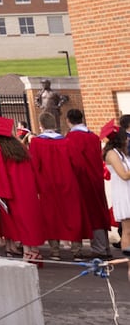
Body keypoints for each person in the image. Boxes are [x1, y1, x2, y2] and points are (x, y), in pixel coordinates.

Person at [0, 116, 45, 263]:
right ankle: (35, 252)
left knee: (21, 221)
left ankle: (28, 253)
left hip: (13, 191)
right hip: (29, 189)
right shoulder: (20, 147)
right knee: (31, 220)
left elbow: (0, 172)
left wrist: (1, 194)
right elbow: (33, 169)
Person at [29, 112, 84, 259]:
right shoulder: (66, 141)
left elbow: (34, 166)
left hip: (47, 184)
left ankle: (55, 251)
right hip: (68, 182)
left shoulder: (36, 142)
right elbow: (78, 164)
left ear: (41, 125)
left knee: (51, 216)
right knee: (72, 215)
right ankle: (77, 250)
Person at [64, 108, 113, 259]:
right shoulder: (93, 136)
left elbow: (75, 161)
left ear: (68, 120)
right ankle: (104, 247)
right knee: (99, 210)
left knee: (92, 212)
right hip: (96, 177)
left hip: (83, 179)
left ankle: (99, 248)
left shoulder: (73, 137)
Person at [104, 130, 130, 260]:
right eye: (126, 138)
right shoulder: (112, 154)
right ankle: (128, 259)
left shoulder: (123, 154)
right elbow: (124, 175)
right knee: (127, 229)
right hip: (123, 192)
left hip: (128, 189)